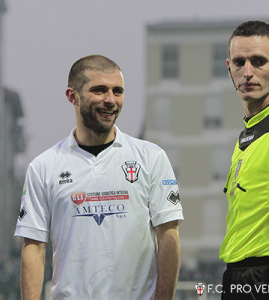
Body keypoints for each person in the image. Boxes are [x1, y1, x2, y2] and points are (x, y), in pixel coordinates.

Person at [14, 55, 184, 300]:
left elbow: (168, 234)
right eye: (100, 90)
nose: (111, 100)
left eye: (118, 91)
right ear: (72, 96)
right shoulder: (43, 167)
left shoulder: (151, 157)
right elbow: (34, 247)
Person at [219, 20, 269, 299]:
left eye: (259, 61)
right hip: (236, 276)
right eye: (239, 62)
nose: (247, 72)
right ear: (229, 69)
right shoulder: (246, 138)